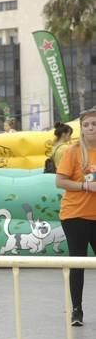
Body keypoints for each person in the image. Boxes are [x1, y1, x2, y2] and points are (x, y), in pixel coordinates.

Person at [56, 108, 96, 326]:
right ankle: (77, 311)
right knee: (78, 260)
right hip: (75, 215)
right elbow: (60, 181)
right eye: (87, 125)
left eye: (94, 124)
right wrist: (86, 186)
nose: (91, 128)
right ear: (82, 129)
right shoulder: (73, 152)